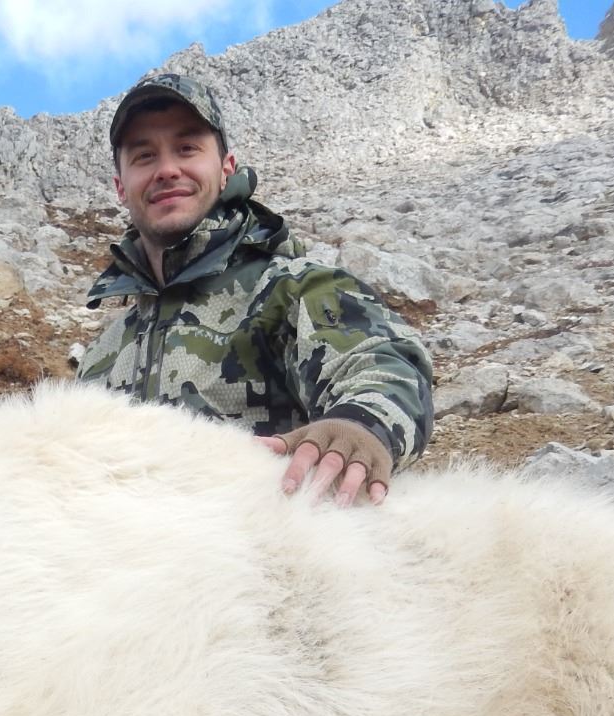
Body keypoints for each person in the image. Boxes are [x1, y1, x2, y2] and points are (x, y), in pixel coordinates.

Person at [77, 73, 434, 507]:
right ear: (121, 187)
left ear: (226, 168)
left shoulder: (291, 288)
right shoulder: (100, 355)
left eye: (187, 148)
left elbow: (382, 365)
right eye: (144, 156)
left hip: (269, 541)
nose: (167, 169)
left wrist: (359, 425)